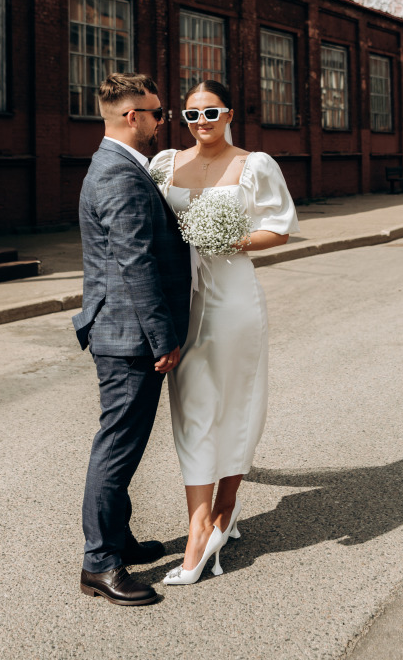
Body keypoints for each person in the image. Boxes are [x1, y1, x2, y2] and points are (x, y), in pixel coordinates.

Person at [150, 79, 299, 585]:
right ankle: (198, 526)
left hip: (233, 298)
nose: (202, 124)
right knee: (191, 404)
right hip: (181, 302)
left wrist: (235, 240)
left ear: (229, 112)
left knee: (236, 399)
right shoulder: (165, 165)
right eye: (192, 116)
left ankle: (225, 506)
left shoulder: (255, 165)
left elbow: (279, 227)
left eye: (210, 113)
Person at [73, 73, 191, 607]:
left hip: (122, 330)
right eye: (158, 113)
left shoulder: (118, 166)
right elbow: (136, 263)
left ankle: (117, 539)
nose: (163, 121)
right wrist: (163, 337)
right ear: (131, 118)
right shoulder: (119, 175)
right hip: (128, 337)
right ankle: (100, 563)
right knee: (118, 447)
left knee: (125, 443)